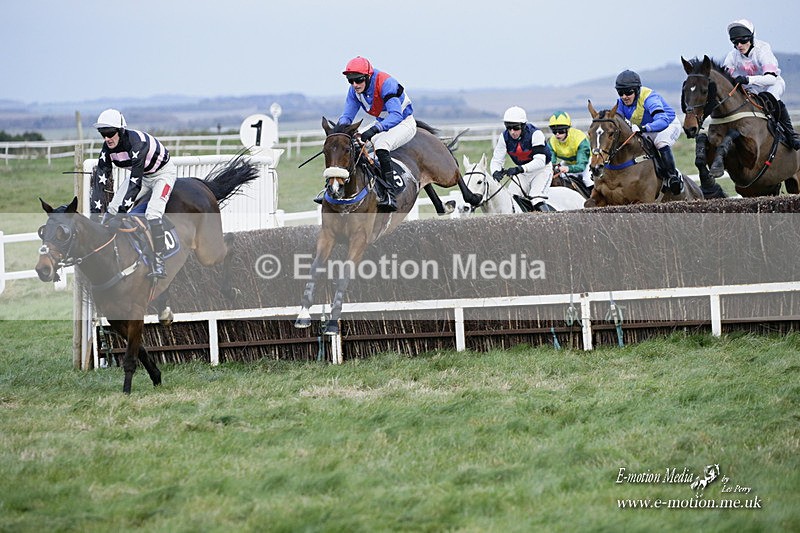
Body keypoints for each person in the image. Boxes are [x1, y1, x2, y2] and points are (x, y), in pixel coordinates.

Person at [92, 108, 176, 279]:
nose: (106, 138)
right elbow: (100, 181)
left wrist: (121, 215)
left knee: (152, 213)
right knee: (112, 209)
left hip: (162, 174)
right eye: (102, 134)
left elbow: (135, 184)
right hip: (142, 175)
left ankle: (159, 261)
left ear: (121, 131)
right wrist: (95, 215)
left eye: (110, 133)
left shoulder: (138, 144)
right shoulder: (107, 148)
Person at [332, 56, 416, 211]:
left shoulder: (386, 83)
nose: (354, 84)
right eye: (350, 81)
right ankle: (337, 187)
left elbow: (396, 115)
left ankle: (390, 194)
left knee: (381, 145)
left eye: (358, 80)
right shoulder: (354, 91)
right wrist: (339, 131)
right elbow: (347, 116)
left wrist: (374, 130)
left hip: (403, 122)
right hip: (383, 122)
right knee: (352, 143)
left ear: (368, 76)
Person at [724, 19, 800, 150]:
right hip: (751, 88)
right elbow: (725, 75)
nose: (739, 45)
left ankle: (791, 135)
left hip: (771, 85)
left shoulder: (762, 49)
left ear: (751, 38)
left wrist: (747, 79)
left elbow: (771, 79)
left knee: (770, 97)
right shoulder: (733, 56)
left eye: (743, 41)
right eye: (735, 42)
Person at [614, 70, 684, 194]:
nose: (624, 96)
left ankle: (673, 176)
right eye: (621, 93)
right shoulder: (620, 103)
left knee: (660, 143)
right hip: (647, 127)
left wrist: (644, 128)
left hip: (668, 125)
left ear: (637, 91)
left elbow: (662, 121)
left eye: (628, 92)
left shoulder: (650, 98)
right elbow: (617, 121)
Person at [489, 106, 554, 211]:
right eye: (508, 127)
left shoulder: (535, 134)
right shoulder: (504, 137)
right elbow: (497, 160)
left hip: (541, 170)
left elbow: (540, 161)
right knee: (510, 198)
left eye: (516, 128)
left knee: (536, 198)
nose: (512, 132)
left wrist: (519, 169)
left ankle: (550, 220)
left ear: (523, 126)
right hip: (523, 173)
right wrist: (495, 171)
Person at [547, 111, 593, 195]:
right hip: (568, 162)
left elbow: (581, 166)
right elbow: (550, 163)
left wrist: (568, 169)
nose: (557, 134)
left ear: (568, 129)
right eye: (554, 131)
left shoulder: (580, 138)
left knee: (587, 180)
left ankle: (595, 199)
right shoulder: (552, 141)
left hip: (585, 162)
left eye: (561, 131)